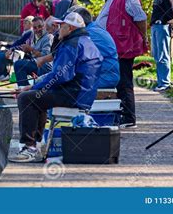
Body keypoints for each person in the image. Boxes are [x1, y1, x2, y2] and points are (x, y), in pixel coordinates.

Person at [9, 12, 103, 163]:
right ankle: (37, 144)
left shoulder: (71, 45)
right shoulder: (86, 41)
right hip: (83, 94)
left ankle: (29, 148)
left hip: (73, 94)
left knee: (26, 99)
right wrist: (34, 87)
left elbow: (60, 76)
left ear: (70, 28)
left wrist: (33, 88)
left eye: (62, 26)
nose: (58, 29)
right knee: (35, 97)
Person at [95, 0, 148, 128]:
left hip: (123, 45)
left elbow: (140, 17)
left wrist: (142, 36)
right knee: (118, 81)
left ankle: (128, 117)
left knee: (124, 81)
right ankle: (120, 114)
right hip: (116, 44)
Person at [36, 7, 120, 90]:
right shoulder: (95, 28)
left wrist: (41, 78)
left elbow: (67, 57)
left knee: (59, 86)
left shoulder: (87, 34)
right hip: (107, 75)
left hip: (104, 78)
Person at [150, 0, 173, 91]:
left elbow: (172, 13)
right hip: (156, 26)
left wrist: (163, 21)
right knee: (157, 55)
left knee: (163, 55)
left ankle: (165, 82)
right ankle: (160, 82)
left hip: (163, 27)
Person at [0, 16, 34, 82]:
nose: (23, 24)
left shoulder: (30, 33)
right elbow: (17, 43)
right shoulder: (26, 32)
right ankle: (2, 75)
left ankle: (1, 75)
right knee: (0, 52)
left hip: (24, 55)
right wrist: (5, 44)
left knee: (1, 55)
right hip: (18, 52)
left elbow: (25, 46)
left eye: (25, 23)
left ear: (30, 24)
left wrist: (11, 49)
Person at [14, 17, 53, 87]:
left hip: (45, 67)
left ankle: (24, 89)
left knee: (19, 64)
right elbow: (33, 54)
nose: (38, 29)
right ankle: (25, 88)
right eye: (35, 28)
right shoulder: (34, 37)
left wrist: (31, 49)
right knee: (19, 61)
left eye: (40, 26)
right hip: (37, 64)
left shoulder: (48, 37)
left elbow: (46, 56)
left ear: (44, 26)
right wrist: (25, 51)